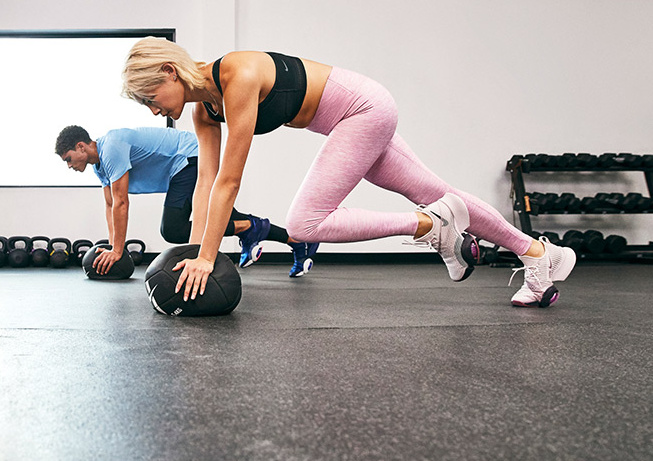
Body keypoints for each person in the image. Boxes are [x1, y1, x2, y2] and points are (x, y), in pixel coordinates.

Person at [120, 38, 576, 306]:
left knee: (303, 225)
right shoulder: (206, 113)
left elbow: (230, 181)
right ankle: (538, 254)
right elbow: (205, 182)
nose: (151, 107)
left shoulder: (235, 76)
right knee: (438, 191)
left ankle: (430, 227)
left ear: (169, 71)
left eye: (149, 95)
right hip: (350, 118)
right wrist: (199, 249)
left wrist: (206, 259)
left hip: (362, 109)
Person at [55, 125, 317, 277]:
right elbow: (110, 205)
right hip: (180, 167)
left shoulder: (111, 147)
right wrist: (113, 246)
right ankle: (297, 241)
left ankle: (249, 229)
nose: (69, 166)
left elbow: (122, 203)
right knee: (227, 218)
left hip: (188, 158)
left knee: (173, 228)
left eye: (68, 159)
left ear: (81, 146)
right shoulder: (98, 166)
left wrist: (117, 251)